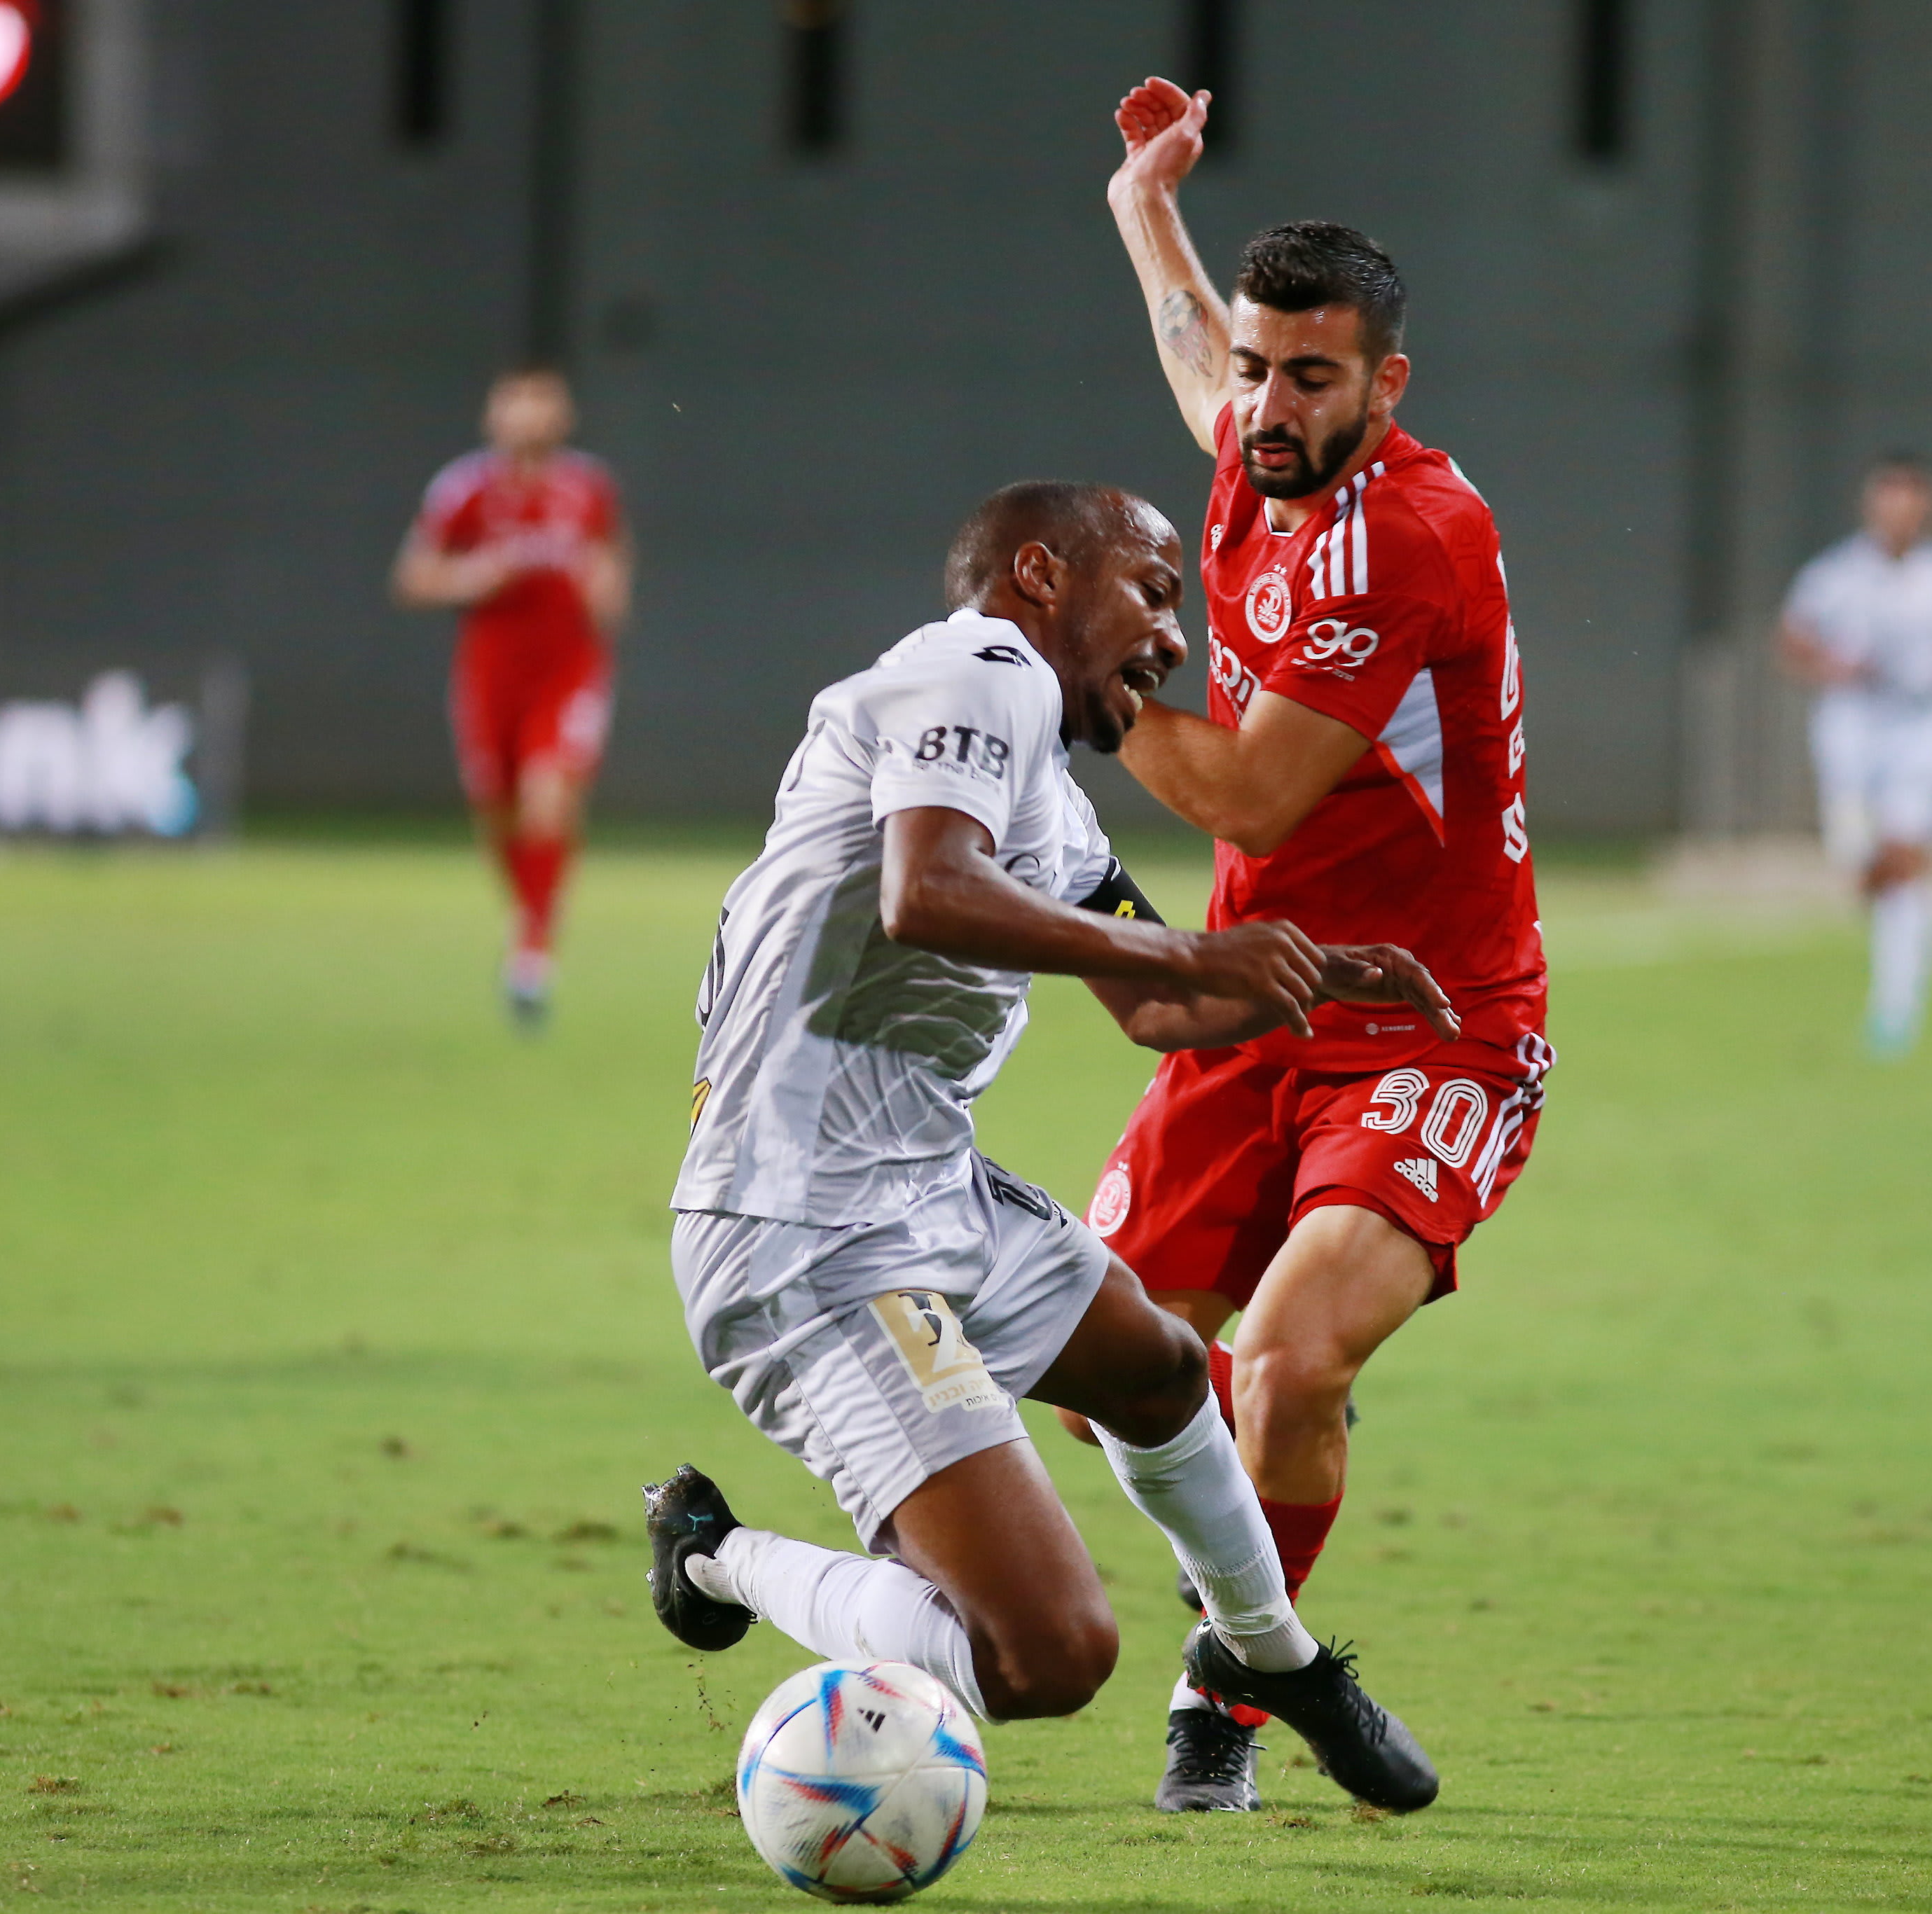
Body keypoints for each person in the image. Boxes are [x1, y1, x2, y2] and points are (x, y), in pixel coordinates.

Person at [642, 480, 1454, 1815]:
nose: (1174, 639)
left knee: (1158, 1363)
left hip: (922, 1183)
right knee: (1046, 1655)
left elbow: (1155, 1004)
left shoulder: (1051, 792)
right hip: (804, 1231)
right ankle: (715, 1548)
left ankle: (1277, 1656)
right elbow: (927, 895)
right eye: (1151, 589)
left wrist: (1312, 975)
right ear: (1038, 575)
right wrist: (1197, 946)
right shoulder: (980, 667)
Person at [1078, 78, 1554, 1812]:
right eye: (1267, 369)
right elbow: (1196, 357)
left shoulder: (1409, 539)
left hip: (1436, 1028)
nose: (1266, 406)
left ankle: (1232, 1693)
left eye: (1311, 377)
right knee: (1098, 1362)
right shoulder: (1255, 447)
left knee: (1283, 1364)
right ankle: (1254, 1610)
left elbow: (1246, 794)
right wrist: (1145, 205)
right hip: (1253, 1010)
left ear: (1386, 386)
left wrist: (1085, 668)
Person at [392, 367, 632, 1028]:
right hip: (490, 673)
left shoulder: (588, 489)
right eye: (517, 401)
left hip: (568, 670)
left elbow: (612, 575)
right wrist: (470, 576)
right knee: (497, 810)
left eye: (543, 401)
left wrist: (605, 590)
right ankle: (528, 916)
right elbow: (413, 575)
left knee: (547, 794)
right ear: (493, 415)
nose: (530, 414)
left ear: (564, 415)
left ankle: (532, 950)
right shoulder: (463, 489)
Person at [1775, 455, 1932, 1057]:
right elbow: (1793, 637)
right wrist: (1830, 664)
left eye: (1911, 501)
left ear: (1927, 508)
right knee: (1865, 863)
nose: (1899, 514)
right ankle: (1900, 922)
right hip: (1850, 728)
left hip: (1925, 729)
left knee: (1905, 854)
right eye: (1889, 499)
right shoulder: (1835, 574)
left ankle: (1895, 1012)